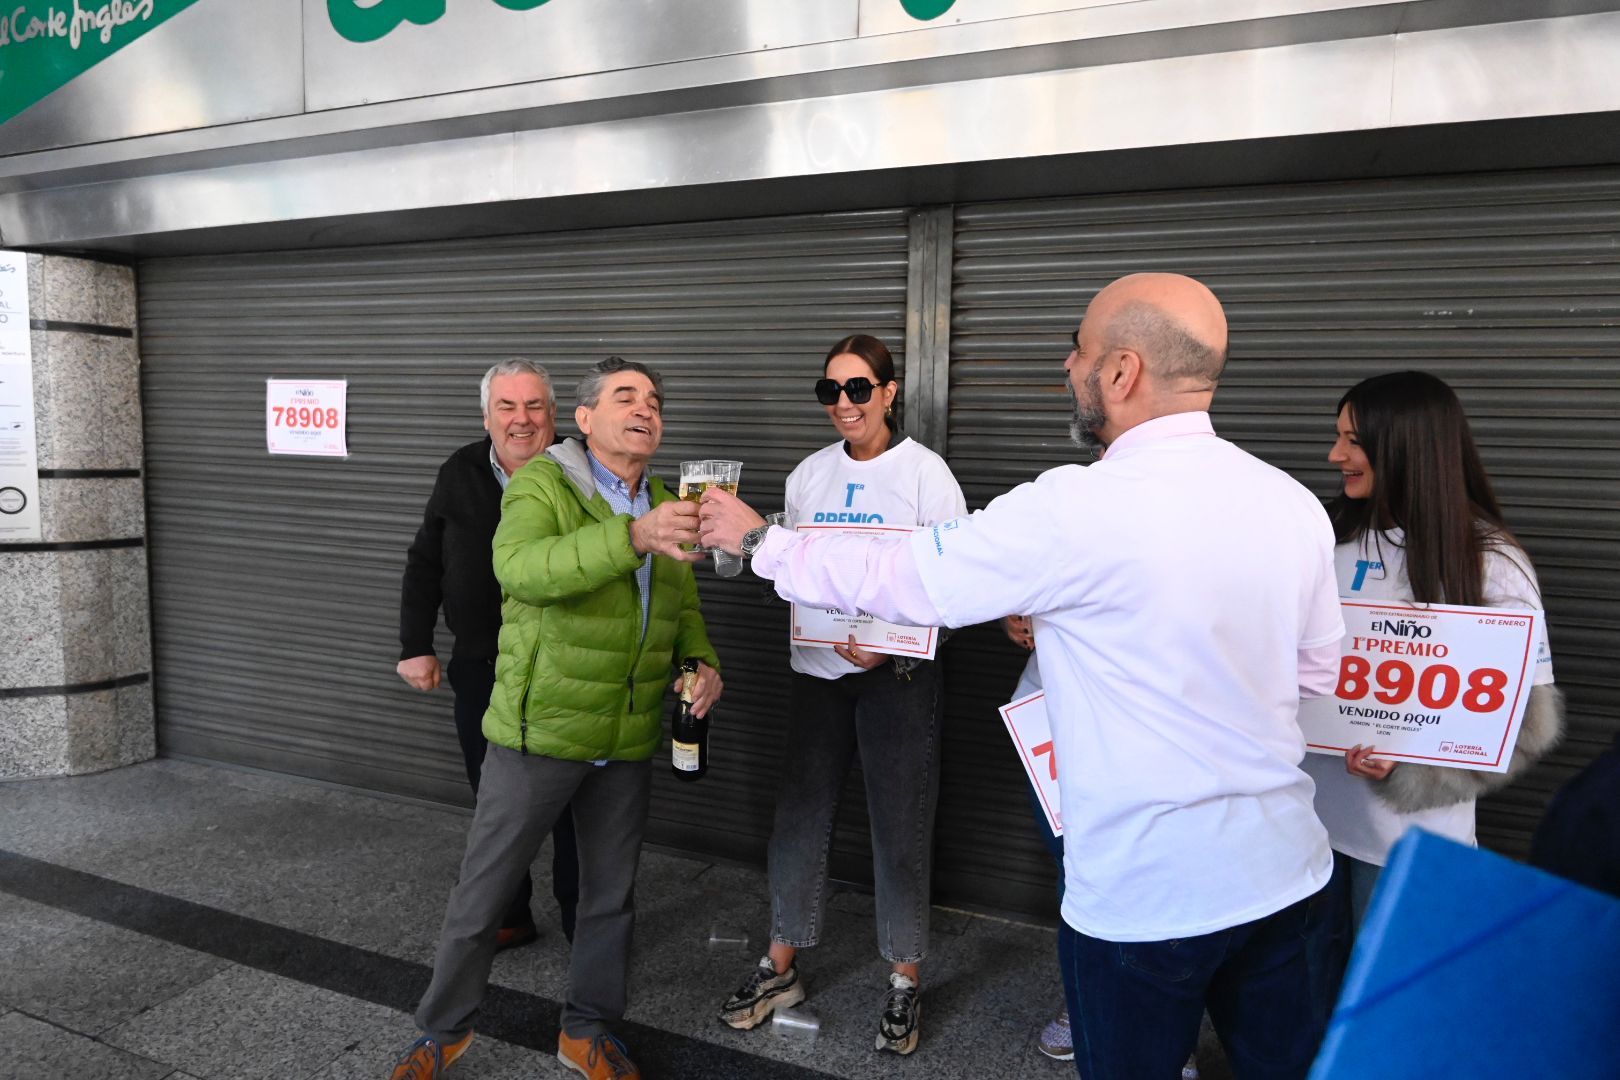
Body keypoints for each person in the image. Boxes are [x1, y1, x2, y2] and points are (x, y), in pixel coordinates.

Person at [701, 272, 1344, 1080]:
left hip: (1145, 893)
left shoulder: (1074, 508)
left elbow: (910, 578)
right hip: (1289, 874)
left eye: (1077, 351)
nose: (1068, 369)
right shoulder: (1289, 501)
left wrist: (766, 544)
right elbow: (1317, 673)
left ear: (1121, 372)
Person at [391, 357, 724, 1080]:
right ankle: (441, 1033)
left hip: (627, 733)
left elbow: (682, 609)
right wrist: (632, 538)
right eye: (626, 396)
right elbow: (522, 569)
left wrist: (701, 662)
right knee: (484, 892)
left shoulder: (667, 499)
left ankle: (588, 1031)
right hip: (539, 729)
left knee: (608, 899)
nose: (646, 409)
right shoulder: (545, 482)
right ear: (583, 418)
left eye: (656, 400)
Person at [716, 334, 965, 1055]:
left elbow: (952, 588)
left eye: (860, 388)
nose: (845, 404)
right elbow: (792, 573)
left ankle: (904, 980)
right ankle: (780, 965)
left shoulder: (926, 477)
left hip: (901, 682)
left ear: (890, 393)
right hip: (819, 678)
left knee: (901, 830)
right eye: (831, 391)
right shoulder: (807, 477)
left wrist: (892, 639)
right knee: (797, 821)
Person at [1304, 371, 1562, 1005]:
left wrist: (1410, 769)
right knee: (1301, 1002)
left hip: (1402, 842)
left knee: (1382, 1006)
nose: (1336, 456)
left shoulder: (1489, 561)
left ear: (1406, 445)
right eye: (1337, 437)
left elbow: (1528, 722)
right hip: (1300, 824)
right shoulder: (1320, 536)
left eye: (1354, 440)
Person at [397, 358, 580, 950]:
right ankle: (511, 912)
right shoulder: (461, 471)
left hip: (565, 665)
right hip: (481, 665)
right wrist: (415, 645)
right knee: (494, 800)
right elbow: (426, 560)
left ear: (554, 415)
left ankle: (585, 923)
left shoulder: (582, 472)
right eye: (507, 406)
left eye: (534, 406)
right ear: (487, 414)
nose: (521, 420)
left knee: (574, 804)